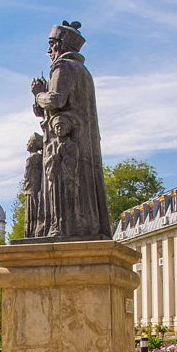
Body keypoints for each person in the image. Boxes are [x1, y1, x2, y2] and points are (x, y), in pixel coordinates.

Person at [30, 21, 111, 239]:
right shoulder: (84, 72)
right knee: (82, 190)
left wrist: (38, 94)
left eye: (51, 44)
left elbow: (56, 100)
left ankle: (61, 228)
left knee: (62, 189)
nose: (49, 51)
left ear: (60, 44)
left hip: (63, 145)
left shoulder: (63, 67)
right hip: (83, 143)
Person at [43, 114, 80, 237]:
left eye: (62, 127)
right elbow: (46, 163)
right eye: (57, 127)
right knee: (55, 204)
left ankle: (70, 228)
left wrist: (65, 157)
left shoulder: (72, 145)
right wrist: (54, 157)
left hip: (67, 179)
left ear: (67, 129)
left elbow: (75, 163)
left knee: (69, 203)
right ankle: (56, 227)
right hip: (55, 179)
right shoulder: (50, 146)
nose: (59, 129)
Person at [23, 132, 44, 237]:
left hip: (31, 188)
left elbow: (27, 175)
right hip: (39, 187)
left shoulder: (30, 159)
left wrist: (26, 185)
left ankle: (30, 231)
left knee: (31, 210)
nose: (27, 144)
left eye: (29, 141)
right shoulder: (41, 157)